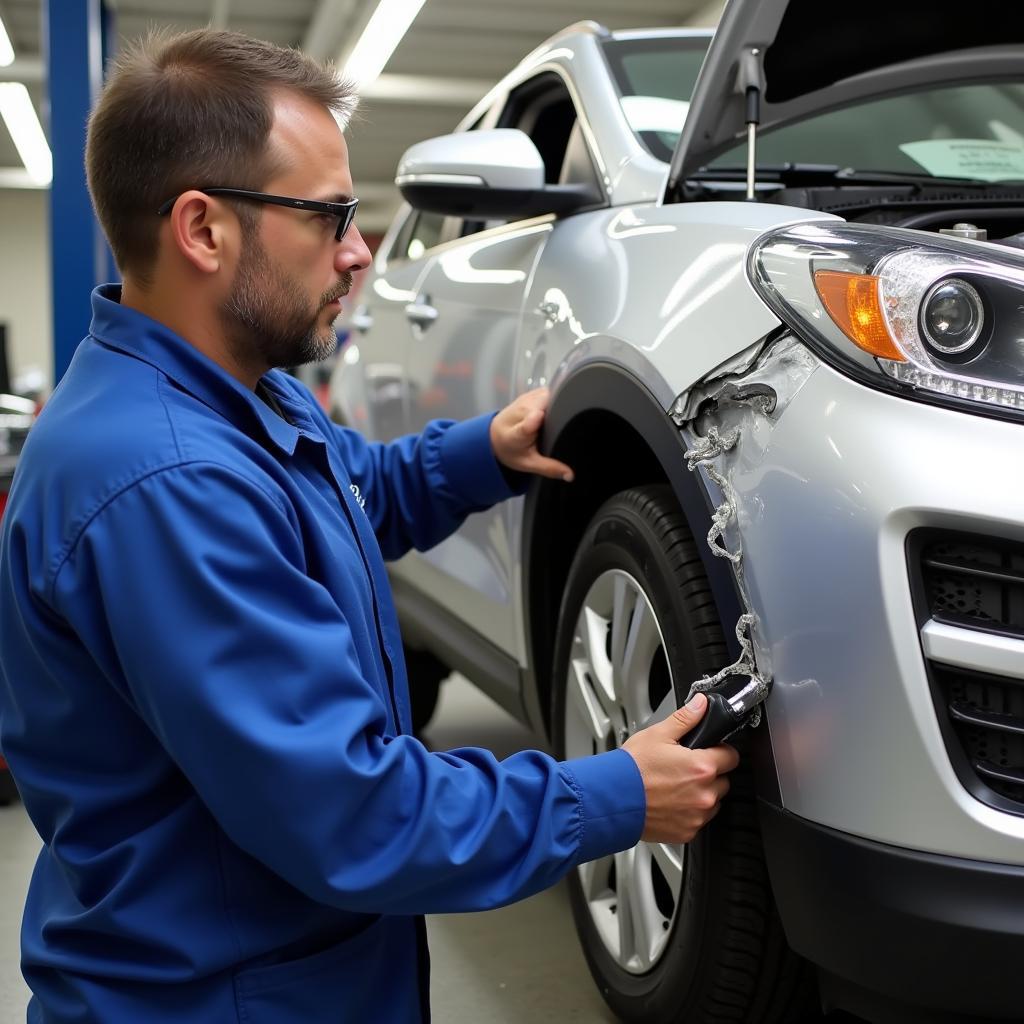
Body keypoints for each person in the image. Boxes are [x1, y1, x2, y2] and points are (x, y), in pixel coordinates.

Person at [0, 29, 739, 1024]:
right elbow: (355, 816)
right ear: (203, 229)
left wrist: (484, 449)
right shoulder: (164, 485)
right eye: (330, 217)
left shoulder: (238, 396)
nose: (360, 252)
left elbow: (354, 491)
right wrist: (611, 794)